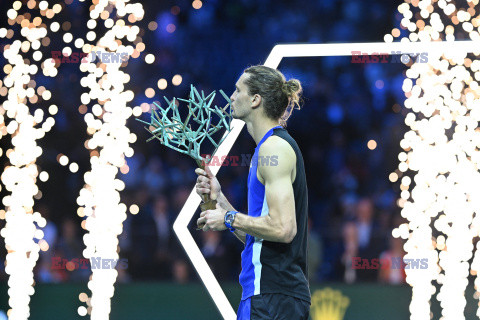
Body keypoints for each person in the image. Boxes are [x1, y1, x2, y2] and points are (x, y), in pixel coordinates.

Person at [195, 65, 310, 319]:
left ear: (255, 99)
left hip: (272, 297)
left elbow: (283, 229)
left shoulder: (273, 148)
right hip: (267, 295)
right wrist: (220, 200)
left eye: (238, 90)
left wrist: (228, 218)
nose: (232, 97)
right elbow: (261, 239)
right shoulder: (267, 149)